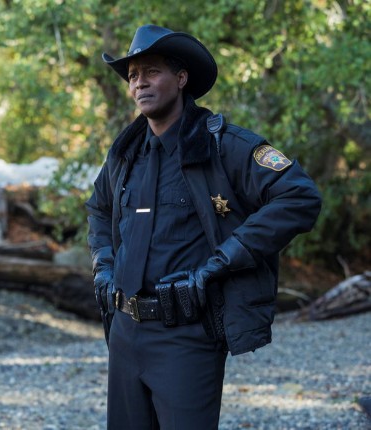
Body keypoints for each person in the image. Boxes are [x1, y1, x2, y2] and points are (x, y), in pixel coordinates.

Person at [86, 25, 322, 429]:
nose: (140, 83)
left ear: (181, 79)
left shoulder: (222, 145)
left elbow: (300, 197)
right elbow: (98, 208)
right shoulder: (125, 153)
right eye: (133, 75)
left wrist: (225, 259)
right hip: (124, 332)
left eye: (152, 71)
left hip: (187, 335)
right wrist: (103, 265)